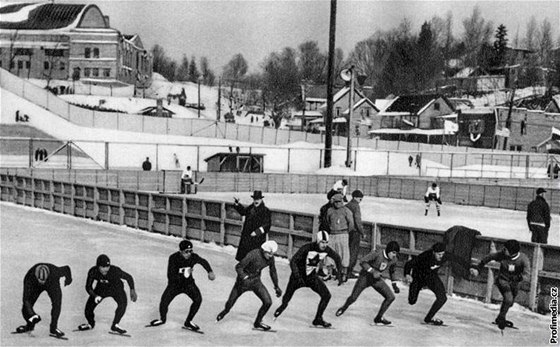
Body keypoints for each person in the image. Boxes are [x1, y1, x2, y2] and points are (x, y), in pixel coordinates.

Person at [273, 231, 343, 328]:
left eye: (326, 242)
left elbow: (337, 258)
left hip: (311, 277)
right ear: (318, 241)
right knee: (287, 297)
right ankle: (282, 306)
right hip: (298, 277)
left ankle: (318, 319)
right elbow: (293, 261)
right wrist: (297, 276)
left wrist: (339, 273)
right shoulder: (307, 248)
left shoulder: (327, 250)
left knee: (326, 295)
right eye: (322, 242)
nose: (324, 245)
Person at [404, 242, 477, 326]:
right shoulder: (425, 256)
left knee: (442, 297)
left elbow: (458, 259)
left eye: (442, 254)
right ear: (433, 252)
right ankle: (413, 293)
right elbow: (409, 264)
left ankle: (428, 318)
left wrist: (471, 268)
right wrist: (407, 274)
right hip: (418, 277)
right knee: (412, 301)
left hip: (431, 277)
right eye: (439, 254)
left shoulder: (445, 255)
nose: (441, 256)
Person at [149, 240, 216, 331]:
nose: (189, 254)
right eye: (186, 252)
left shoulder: (193, 257)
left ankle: (188, 321)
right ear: (180, 251)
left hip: (188, 284)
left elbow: (203, 261)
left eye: (190, 251)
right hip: (175, 285)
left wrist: (210, 271)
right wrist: (184, 273)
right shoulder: (173, 258)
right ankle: (162, 319)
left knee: (198, 300)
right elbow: (170, 275)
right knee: (164, 301)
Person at [216, 241, 282, 331]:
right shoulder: (253, 255)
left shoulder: (270, 258)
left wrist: (276, 286)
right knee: (229, 304)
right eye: (269, 254)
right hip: (242, 284)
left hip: (256, 282)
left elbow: (273, 271)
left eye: (272, 254)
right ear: (263, 251)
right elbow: (238, 267)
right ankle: (224, 312)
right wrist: (244, 277)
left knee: (268, 302)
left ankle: (257, 322)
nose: (271, 256)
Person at [336, 241, 401, 325]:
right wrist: (372, 271)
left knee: (390, 297)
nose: (394, 255)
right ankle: (344, 307)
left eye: (396, 253)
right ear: (388, 250)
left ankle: (379, 317)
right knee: (353, 297)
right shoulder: (377, 253)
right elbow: (362, 261)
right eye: (393, 253)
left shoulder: (394, 260)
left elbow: (392, 271)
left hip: (376, 280)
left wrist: (394, 284)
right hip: (365, 277)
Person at [474, 239, 530, 330]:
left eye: (506, 249)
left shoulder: (523, 259)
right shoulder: (502, 255)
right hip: (503, 280)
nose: (504, 250)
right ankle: (501, 318)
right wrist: (479, 267)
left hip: (515, 283)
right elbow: (489, 257)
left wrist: (519, 278)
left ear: (512, 252)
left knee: (510, 302)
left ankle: (500, 317)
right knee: (508, 299)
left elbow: (527, 275)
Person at [77, 254, 137, 334]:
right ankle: (90, 324)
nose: (105, 269)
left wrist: (132, 290)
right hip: (101, 289)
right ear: (98, 266)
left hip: (116, 289)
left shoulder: (115, 270)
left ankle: (115, 325)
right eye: (103, 267)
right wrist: (95, 296)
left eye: (107, 267)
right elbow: (88, 287)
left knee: (122, 304)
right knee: (88, 308)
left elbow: (128, 277)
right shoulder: (93, 271)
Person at [15, 263, 72, 338]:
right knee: (27, 305)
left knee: (57, 303)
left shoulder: (55, 272)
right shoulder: (29, 277)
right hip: (35, 285)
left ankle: (53, 328)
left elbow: (66, 269)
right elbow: (26, 299)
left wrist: (68, 279)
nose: (42, 282)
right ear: (35, 276)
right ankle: (30, 324)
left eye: (43, 280)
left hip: (51, 283)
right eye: (40, 280)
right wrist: (32, 314)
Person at [233, 190, 271, 262]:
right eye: (254, 199)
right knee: (244, 261)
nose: (256, 201)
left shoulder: (266, 211)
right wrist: (237, 204)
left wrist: (257, 232)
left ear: (261, 199)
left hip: (257, 240)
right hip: (247, 238)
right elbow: (243, 212)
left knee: (255, 262)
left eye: (258, 199)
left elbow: (267, 225)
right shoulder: (251, 208)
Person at [326, 193, 354, 282]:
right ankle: (329, 273)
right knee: (330, 254)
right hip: (332, 235)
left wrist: (345, 232)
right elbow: (328, 221)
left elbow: (351, 224)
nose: (337, 204)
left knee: (344, 254)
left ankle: (344, 274)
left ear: (342, 201)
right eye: (336, 202)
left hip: (343, 235)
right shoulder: (330, 210)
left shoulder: (347, 211)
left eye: (339, 202)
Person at [345, 189, 365, 278]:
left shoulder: (347, 205)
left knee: (346, 251)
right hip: (354, 233)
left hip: (346, 231)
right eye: (360, 199)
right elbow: (358, 221)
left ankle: (344, 270)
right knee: (353, 252)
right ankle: (349, 272)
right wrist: (362, 232)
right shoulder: (356, 206)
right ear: (356, 198)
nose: (360, 201)